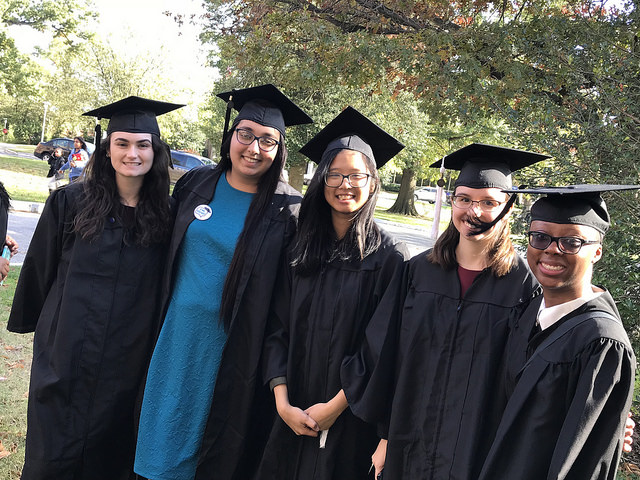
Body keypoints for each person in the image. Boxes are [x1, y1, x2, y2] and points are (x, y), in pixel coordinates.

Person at [134, 84, 313, 480]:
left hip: (235, 346)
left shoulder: (289, 210)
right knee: (160, 435)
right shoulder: (195, 184)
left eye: (268, 140)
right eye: (245, 134)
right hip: (176, 335)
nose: (253, 147)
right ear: (231, 135)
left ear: (280, 148)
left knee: (212, 443)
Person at [342, 143, 549, 479]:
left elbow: (534, 378)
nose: (474, 210)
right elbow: (387, 357)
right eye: (464, 198)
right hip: (407, 442)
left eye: (488, 202)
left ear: (508, 207)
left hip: (476, 453)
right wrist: (385, 435)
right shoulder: (416, 273)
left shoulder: (525, 288)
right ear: (453, 201)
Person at [7, 96, 181, 480]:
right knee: (51, 457)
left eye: (142, 145)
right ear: (106, 149)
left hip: (130, 361)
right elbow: (40, 270)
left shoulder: (169, 216)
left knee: (112, 456)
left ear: (156, 152)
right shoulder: (70, 202)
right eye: (122, 143)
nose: (131, 153)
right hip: (66, 354)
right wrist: (44, 336)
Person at [257, 107, 409, 479]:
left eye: (356, 175)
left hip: (350, 416)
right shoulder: (297, 248)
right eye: (335, 175)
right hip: (289, 408)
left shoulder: (390, 257)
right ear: (321, 180)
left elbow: (381, 348)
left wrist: (335, 407)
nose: (345, 185)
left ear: (373, 182)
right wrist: (282, 403)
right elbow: (276, 326)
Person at [478, 184, 637, 480]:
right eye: (540, 237)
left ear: (598, 251)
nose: (551, 248)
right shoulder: (529, 312)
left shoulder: (601, 343)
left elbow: (585, 462)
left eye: (571, 242)